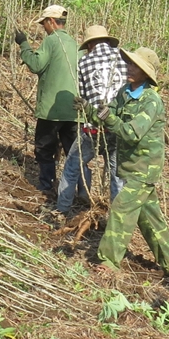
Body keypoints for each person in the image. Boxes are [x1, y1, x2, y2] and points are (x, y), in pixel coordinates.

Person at [94, 47, 169, 277]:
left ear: (146, 73)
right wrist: (89, 109)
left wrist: (108, 118)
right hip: (130, 166)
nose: (129, 67)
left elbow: (131, 133)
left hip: (144, 169)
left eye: (135, 66)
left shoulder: (151, 100)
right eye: (129, 63)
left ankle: (109, 262)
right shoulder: (124, 92)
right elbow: (107, 115)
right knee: (149, 218)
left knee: (121, 209)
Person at [54, 25, 126, 218]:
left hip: (93, 129)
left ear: (91, 44)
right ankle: (117, 218)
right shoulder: (124, 59)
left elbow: (83, 97)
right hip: (117, 127)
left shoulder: (84, 62)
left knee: (71, 167)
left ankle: (62, 210)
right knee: (116, 175)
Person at [15, 5, 79, 195]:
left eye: (44, 24)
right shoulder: (75, 44)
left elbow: (36, 65)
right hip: (74, 109)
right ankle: (79, 190)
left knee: (44, 148)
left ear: (51, 22)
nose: (44, 28)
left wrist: (23, 44)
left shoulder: (52, 41)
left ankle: (46, 186)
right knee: (73, 153)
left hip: (52, 109)